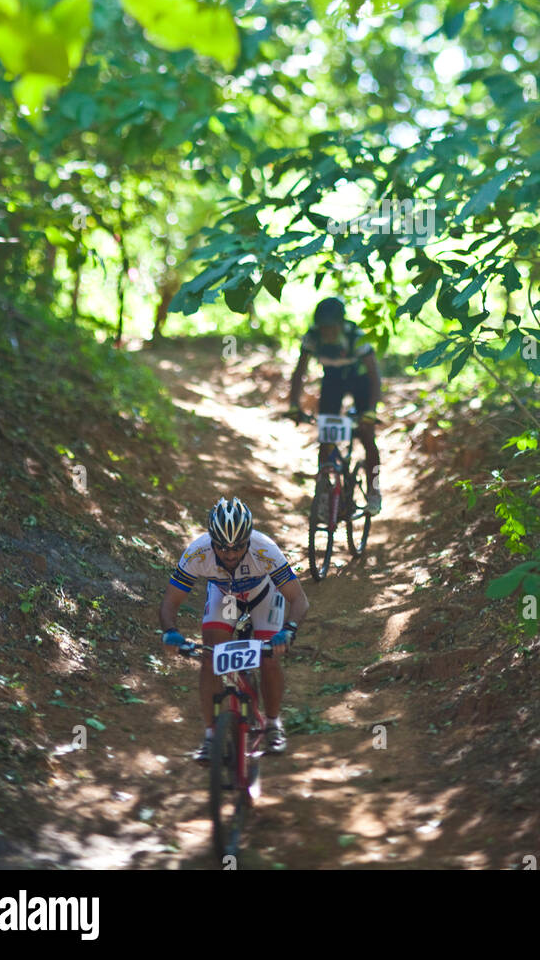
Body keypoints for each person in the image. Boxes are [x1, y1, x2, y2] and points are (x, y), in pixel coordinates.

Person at [159, 498, 309, 761]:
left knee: (269, 659)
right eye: (222, 548)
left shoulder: (265, 550)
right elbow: (170, 601)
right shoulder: (198, 552)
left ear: (249, 541)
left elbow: (299, 600)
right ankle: (210, 737)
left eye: (238, 547)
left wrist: (289, 630)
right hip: (225, 598)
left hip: (264, 595)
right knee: (210, 660)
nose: (230, 554)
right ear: (211, 541)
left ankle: (273, 725)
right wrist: (170, 631)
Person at [287, 296, 382, 515]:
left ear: (341, 324)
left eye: (331, 328)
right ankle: (323, 492)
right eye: (323, 328)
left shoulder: (356, 337)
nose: (327, 333)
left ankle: (374, 491)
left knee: (367, 434)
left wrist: (370, 411)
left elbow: (374, 375)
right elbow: (299, 372)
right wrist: (294, 405)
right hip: (332, 380)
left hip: (360, 381)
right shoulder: (312, 337)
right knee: (326, 436)